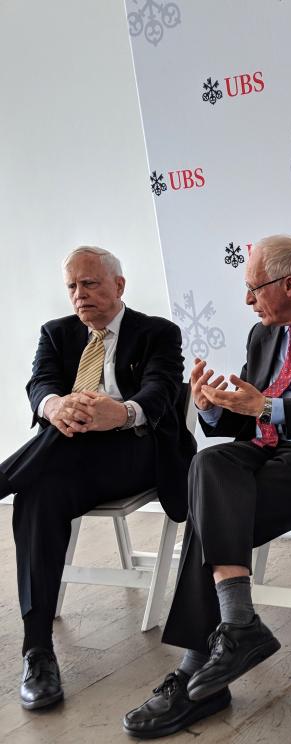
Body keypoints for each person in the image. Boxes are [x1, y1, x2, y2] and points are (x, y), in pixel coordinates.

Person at [123, 235, 291, 738]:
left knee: (210, 512)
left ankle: (195, 672)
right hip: (271, 459)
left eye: (254, 289)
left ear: (289, 284)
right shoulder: (262, 334)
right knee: (208, 467)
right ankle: (237, 625)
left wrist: (266, 407)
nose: (248, 300)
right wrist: (211, 407)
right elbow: (247, 421)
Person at [0, 246, 191, 710]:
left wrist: (119, 413)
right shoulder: (57, 333)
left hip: (137, 454)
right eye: (72, 287)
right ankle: (38, 651)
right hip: (71, 463)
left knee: (71, 430)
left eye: (90, 284)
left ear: (118, 286)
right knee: (36, 492)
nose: (79, 295)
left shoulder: (157, 333)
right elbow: (39, 384)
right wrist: (57, 406)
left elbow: (161, 393)